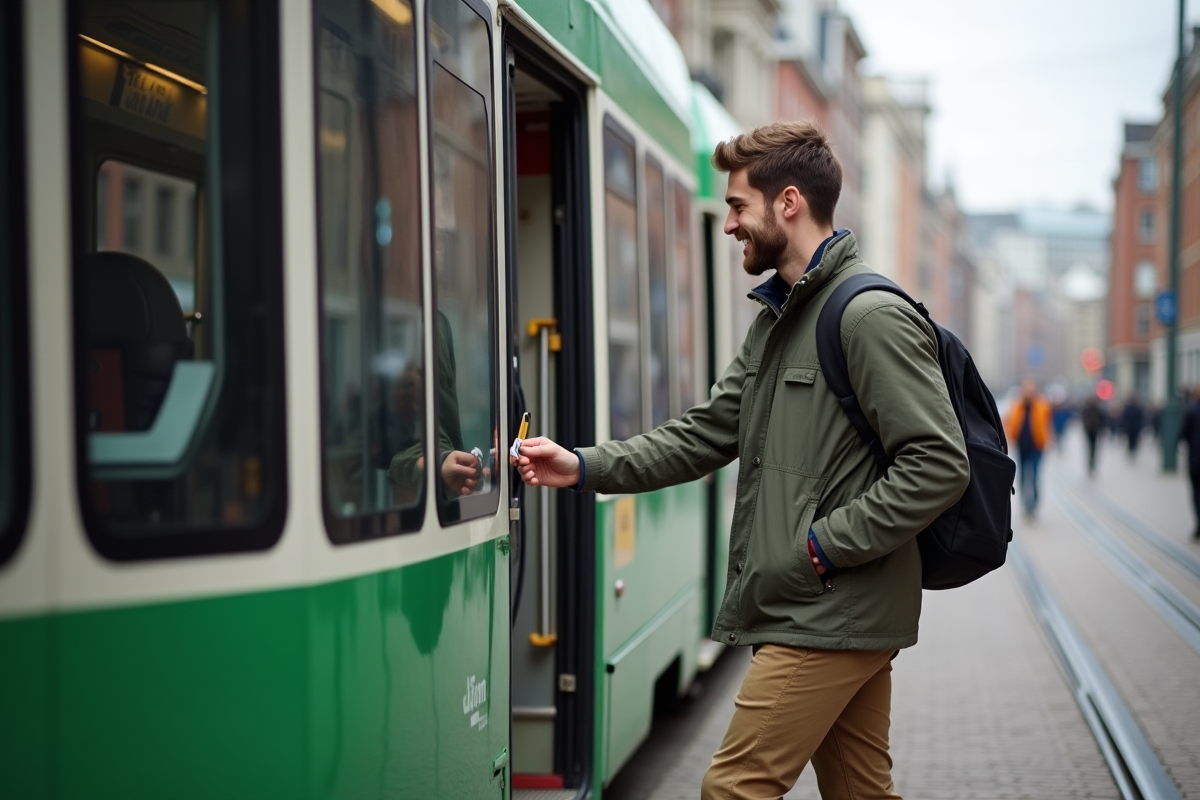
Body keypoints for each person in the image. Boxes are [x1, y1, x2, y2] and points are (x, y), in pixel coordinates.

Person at [514, 121, 970, 800]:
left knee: (733, 789)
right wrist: (581, 465)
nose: (730, 225)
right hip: (834, 610)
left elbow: (938, 462)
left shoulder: (867, 315)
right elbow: (704, 433)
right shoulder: (779, 318)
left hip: (826, 611)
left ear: (788, 202)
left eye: (736, 206)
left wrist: (823, 547)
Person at [1004, 379, 1052, 519]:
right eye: (1027, 391)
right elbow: (1009, 422)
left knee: (1035, 476)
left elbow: (1047, 425)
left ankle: (1034, 504)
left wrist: (1048, 440)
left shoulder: (1042, 406)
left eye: (1031, 391)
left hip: (1037, 447)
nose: (1029, 394)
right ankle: (1026, 504)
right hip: (1021, 447)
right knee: (1023, 477)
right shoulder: (1017, 406)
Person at [1179, 387, 1200, 540]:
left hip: (1196, 460)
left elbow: (1183, 433)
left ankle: (1199, 524)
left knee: (1197, 493)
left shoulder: (1191, 410)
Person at [1080, 396, 1104, 478]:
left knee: (1093, 449)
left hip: (1094, 431)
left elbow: (1102, 420)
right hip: (1089, 431)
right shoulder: (1087, 410)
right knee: (1091, 448)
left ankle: (1092, 463)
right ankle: (1091, 464)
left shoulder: (1097, 410)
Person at [1120, 394, 1146, 461]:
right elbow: (1141, 419)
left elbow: (1124, 419)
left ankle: (1131, 450)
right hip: (1135, 428)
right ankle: (1133, 450)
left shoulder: (1128, 408)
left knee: (1131, 440)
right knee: (1134, 440)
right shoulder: (1138, 408)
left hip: (1130, 427)